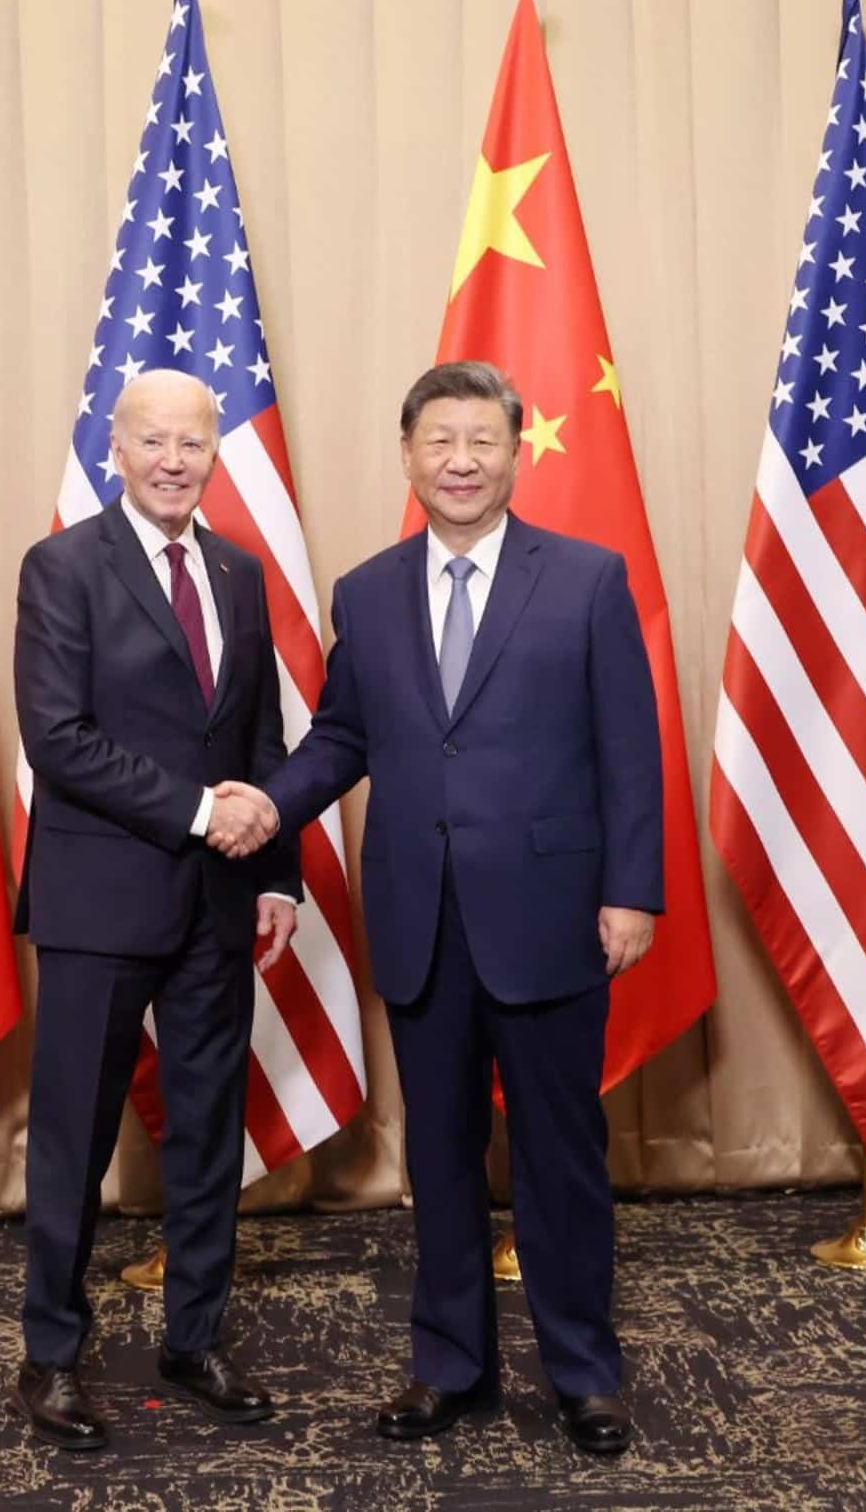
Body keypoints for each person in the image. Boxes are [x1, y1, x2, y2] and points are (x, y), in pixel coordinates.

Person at [215, 360, 660, 1456]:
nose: (461, 461)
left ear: (518, 451)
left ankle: (584, 1373)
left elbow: (631, 750)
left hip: (556, 912)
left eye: (482, 441)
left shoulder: (588, 579)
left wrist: (632, 892)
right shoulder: (366, 590)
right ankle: (450, 1363)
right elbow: (343, 736)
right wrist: (264, 804)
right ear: (407, 453)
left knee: (561, 1152)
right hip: (420, 916)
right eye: (439, 441)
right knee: (441, 1153)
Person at [12, 368, 297, 1451]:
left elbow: (260, 735)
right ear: (116, 450)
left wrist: (277, 867)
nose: (176, 459)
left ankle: (196, 1337)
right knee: (74, 1139)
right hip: (99, 898)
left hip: (221, 900)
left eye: (195, 441)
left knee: (209, 1133)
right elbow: (59, 739)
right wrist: (194, 810)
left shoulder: (237, 570)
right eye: (155, 441)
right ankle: (50, 1354)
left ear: (215, 451)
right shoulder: (63, 567)